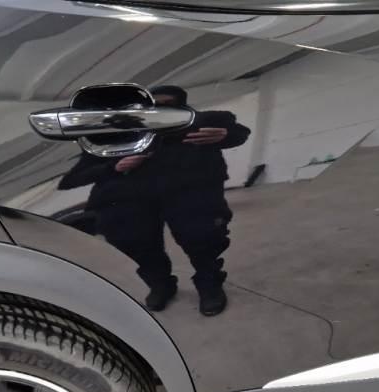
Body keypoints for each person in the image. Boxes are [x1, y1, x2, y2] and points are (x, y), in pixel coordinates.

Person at [57, 85, 250, 316]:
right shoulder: (114, 134)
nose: (159, 110)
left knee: (203, 240)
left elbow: (240, 132)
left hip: (189, 193)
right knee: (136, 244)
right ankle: (161, 284)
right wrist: (114, 167)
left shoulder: (204, 121)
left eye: (168, 104)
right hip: (130, 199)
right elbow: (69, 180)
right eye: (152, 105)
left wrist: (227, 136)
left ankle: (209, 285)